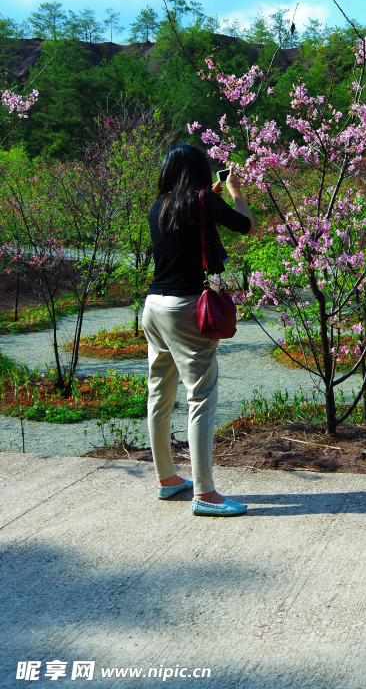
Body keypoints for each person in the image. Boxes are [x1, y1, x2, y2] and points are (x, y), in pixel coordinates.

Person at [142, 143, 254, 516]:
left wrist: (213, 197)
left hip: (153, 307)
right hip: (185, 309)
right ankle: (205, 493)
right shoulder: (204, 200)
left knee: (160, 393)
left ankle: (167, 479)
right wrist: (236, 191)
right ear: (201, 171)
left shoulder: (157, 206)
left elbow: (188, 225)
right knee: (201, 396)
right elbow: (246, 226)